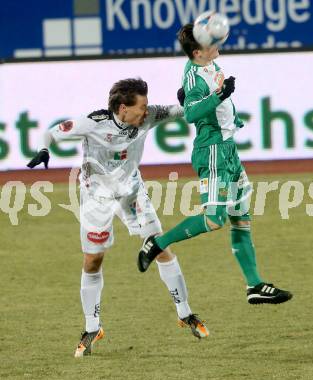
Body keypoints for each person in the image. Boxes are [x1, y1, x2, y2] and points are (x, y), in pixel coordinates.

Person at [27, 78, 209, 358]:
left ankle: (185, 313)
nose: (147, 111)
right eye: (142, 106)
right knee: (93, 260)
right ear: (123, 108)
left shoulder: (149, 116)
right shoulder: (93, 122)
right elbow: (51, 133)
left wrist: (190, 100)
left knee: (159, 246)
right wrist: (44, 149)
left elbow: (181, 111)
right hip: (96, 199)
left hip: (132, 194)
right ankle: (92, 328)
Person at [138, 25, 293, 307]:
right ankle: (157, 243)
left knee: (241, 217)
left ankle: (254, 285)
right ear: (198, 51)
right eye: (212, 42)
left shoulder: (208, 64)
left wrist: (231, 119)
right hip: (212, 152)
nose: (218, 43)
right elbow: (191, 113)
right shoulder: (195, 75)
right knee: (214, 220)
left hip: (228, 149)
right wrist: (219, 96)